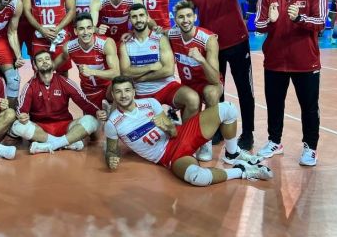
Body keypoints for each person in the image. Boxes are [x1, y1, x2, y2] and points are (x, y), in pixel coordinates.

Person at [104, 77, 271, 185]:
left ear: (134, 92)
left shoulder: (150, 103)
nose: (123, 95)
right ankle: (242, 171)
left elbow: (173, 133)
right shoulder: (113, 123)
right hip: (168, 155)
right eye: (118, 91)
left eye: (127, 90)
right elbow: (111, 150)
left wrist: (167, 126)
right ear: (113, 94)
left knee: (228, 108)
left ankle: (232, 153)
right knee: (197, 178)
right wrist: (110, 158)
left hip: (182, 134)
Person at [254, 0, 327, 166]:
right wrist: (270, 21)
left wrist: (300, 18)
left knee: (309, 107)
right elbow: (257, 25)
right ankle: (274, 142)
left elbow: (322, 22)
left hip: (305, 62)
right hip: (275, 61)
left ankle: (310, 148)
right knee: (274, 104)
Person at [184, 0, 256, 149]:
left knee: (244, 89)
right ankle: (218, 130)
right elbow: (189, 14)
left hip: (237, 41)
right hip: (212, 46)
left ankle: (248, 133)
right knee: (216, 90)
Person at [11, 50, 106, 154]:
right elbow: (22, 109)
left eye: (47, 59)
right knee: (17, 125)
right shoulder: (29, 86)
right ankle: (65, 143)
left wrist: (96, 111)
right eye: (40, 60)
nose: (44, 61)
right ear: (35, 66)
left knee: (91, 120)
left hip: (66, 126)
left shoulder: (64, 81)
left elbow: (83, 101)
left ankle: (51, 145)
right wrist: (22, 115)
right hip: (41, 130)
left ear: (52, 63)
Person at [118, 3, 200, 121]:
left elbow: (168, 70)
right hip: (141, 93)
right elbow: (126, 73)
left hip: (165, 87)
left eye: (141, 15)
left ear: (148, 18)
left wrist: (142, 78)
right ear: (130, 20)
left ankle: (184, 132)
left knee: (193, 99)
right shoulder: (125, 44)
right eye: (134, 17)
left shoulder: (160, 38)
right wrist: (151, 67)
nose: (138, 19)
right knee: (148, 127)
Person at [168, 0, 223, 161]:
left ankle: (206, 141)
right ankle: (190, 140)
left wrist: (201, 60)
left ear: (195, 17)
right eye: (181, 17)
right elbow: (154, 31)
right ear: (175, 19)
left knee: (211, 93)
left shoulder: (208, 39)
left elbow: (215, 79)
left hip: (209, 84)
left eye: (189, 16)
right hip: (188, 85)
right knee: (189, 103)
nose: (185, 20)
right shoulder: (172, 35)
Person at [54, 13, 120, 110]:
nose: (86, 32)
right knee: (92, 119)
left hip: (108, 90)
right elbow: (61, 59)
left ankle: (111, 107)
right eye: (81, 29)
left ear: (93, 29)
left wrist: (92, 72)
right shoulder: (69, 47)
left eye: (89, 28)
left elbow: (116, 73)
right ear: (75, 31)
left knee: (118, 85)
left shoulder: (106, 43)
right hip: (88, 92)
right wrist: (43, 70)